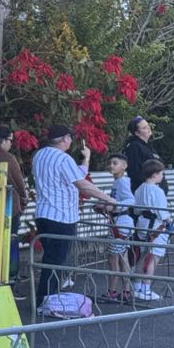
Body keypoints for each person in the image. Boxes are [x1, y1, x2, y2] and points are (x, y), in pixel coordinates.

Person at [32, 124, 117, 308]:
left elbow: (76, 175)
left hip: (44, 213)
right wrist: (108, 198)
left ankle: (47, 298)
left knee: (51, 258)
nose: (71, 141)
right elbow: (83, 185)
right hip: (61, 216)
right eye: (70, 137)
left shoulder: (39, 155)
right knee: (56, 261)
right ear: (65, 139)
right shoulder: (63, 158)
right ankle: (45, 301)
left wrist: (86, 159)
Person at [0, 125, 29, 284]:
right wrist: (24, 198)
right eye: (10, 140)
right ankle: (10, 277)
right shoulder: (9, 158)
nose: (11, 144)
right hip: (10, 206)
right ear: (2, 141)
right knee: (11, 240)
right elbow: (19, 183)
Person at [97, 153, 135, 303]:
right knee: (122, 258)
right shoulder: (118, 181)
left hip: (120, 223)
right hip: (120, 222)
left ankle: (112, 292)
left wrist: (112, 206)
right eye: (110, 163)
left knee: (113, 260)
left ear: (124, 166)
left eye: (115, 163)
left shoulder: (122, 182)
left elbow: (130, 200)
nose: (111, 165)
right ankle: (125, 291)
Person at [132, 159, 172, 302]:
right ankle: (146, 289)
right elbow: (162, 212)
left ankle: (136, 287)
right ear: (155, 174)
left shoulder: (139, 188)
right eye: (161, 173)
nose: (162, 176)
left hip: (142, 223)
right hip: (156, 226)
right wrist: (169, 221)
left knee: (142, 256)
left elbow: (136, 210)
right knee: (153, 258)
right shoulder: (158, 191)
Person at [123, 116, 166, 193]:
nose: (149, 128)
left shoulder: (149, 146)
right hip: (145, 192)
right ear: (136, 133)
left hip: (156, 191)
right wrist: (149, 185)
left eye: (148, 126)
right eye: (144, 127)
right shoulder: (133, 147)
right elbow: (134, 172)